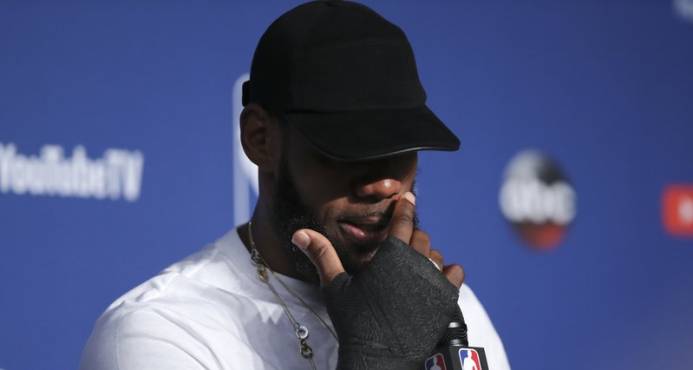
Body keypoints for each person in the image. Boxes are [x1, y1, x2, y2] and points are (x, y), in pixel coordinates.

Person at [80, 1, 511, 369]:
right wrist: (381, 358)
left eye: (401, 150)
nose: (383, 183)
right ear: (260, 139)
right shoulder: (160, 330)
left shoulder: (447, 305)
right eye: (349, 149)